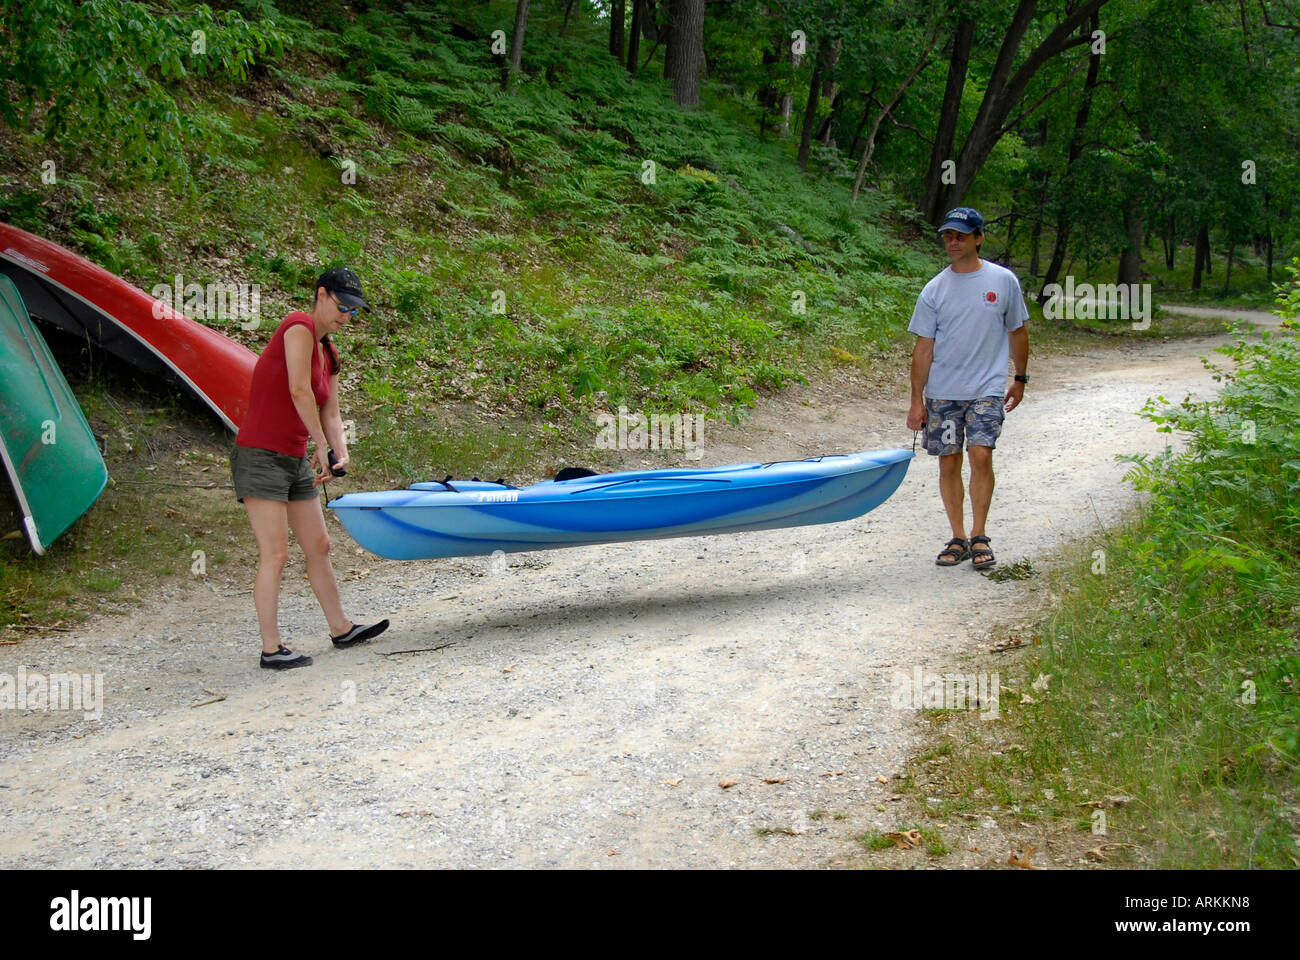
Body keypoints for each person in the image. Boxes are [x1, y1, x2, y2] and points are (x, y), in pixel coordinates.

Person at [231, 267, 389, 668]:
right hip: (260, 454)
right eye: (341, 307)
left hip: (293, 457)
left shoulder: (330, 352)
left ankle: (341, 628)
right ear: (321, 295)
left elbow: (330, 412)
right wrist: (319, 442)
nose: (346, 316)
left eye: (353, 311)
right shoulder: (298, 327)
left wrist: (339, 451)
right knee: (276, 553)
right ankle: (271, 649)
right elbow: (298, 389)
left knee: (319, 546)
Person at [905, 207, 1029, 570]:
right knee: (949, 461)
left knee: (980, 454)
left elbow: (1018, 331)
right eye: (948, 236)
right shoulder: (935, 289)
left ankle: (980, 536)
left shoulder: (1002, 281)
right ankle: (957, 536)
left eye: (961, 235)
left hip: (986, 388)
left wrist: (1020, 378)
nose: (953, 242)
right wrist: (917, 400)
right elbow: (923, 347)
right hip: (944, 391)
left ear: (978, 237)